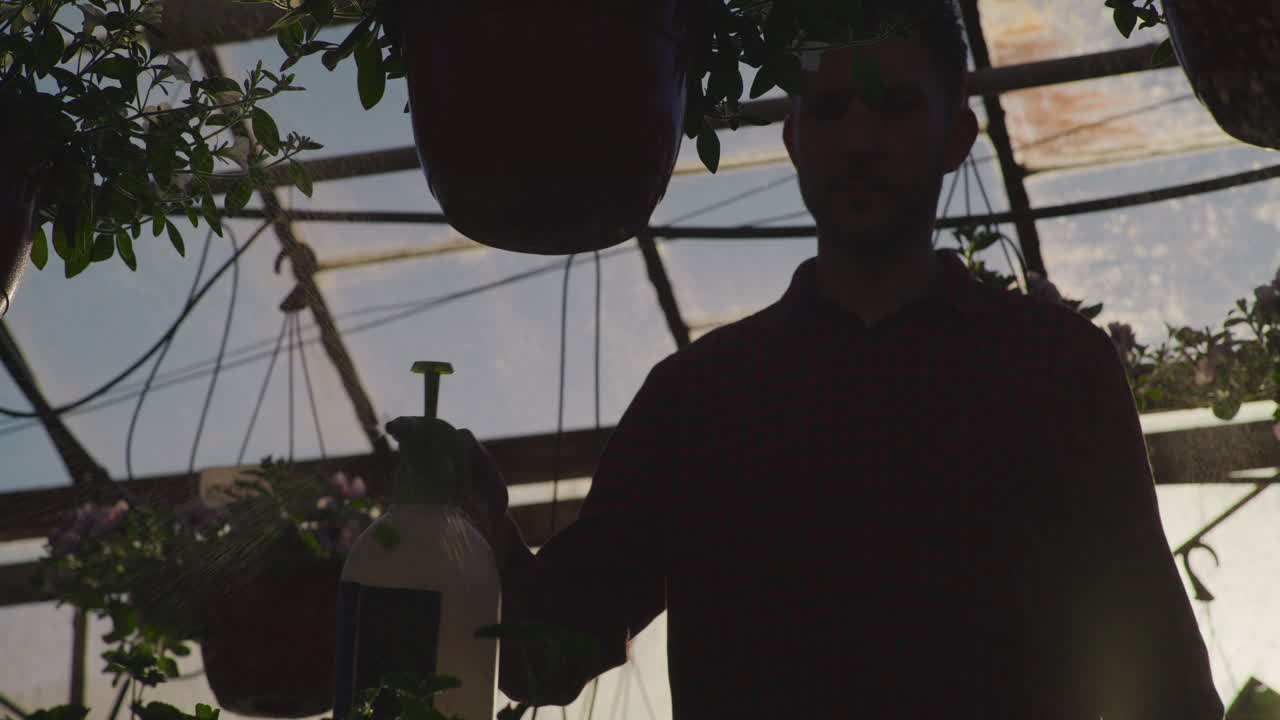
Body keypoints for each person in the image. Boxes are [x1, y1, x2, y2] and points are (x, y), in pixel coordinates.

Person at [454, 1, 1225, 716]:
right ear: (793, 141)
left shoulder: (1051, 367)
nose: (858, 137)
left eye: (892, 106)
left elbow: (1159, 668)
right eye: (827, 109)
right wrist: (477, 526)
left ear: (957, 137)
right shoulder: (698, 397)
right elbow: (543, 658)